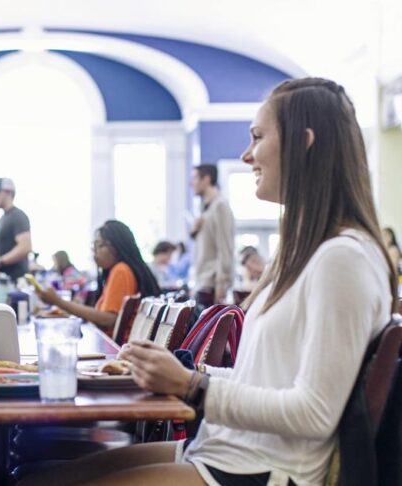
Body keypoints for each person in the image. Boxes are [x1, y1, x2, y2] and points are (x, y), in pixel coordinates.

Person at [21, 78, 397, 486]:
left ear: (304, 142)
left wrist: (192, 385)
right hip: (225, 451)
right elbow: (264, 379)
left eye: (257, 137)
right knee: (41, 477)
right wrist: (179, 370)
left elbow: (314, 413)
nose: (246, 154)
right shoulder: (309, 253)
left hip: (261, 470)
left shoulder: (344, 258)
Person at [36, 220, 161, 335]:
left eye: (100, 246)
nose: (95, 252)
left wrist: (58, 301)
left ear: (118, 247)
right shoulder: (116, 270)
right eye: (94, 247)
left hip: (114, 349)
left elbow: (109, 319)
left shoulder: (121, 270)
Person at [190, 164, 235, 308]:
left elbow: (225, 247)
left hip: (212, 286)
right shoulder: (205, 209)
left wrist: (222, 284)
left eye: (195, 178)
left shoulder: (220, 205)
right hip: (202, 282)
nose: (192, 183)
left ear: (207, 179)